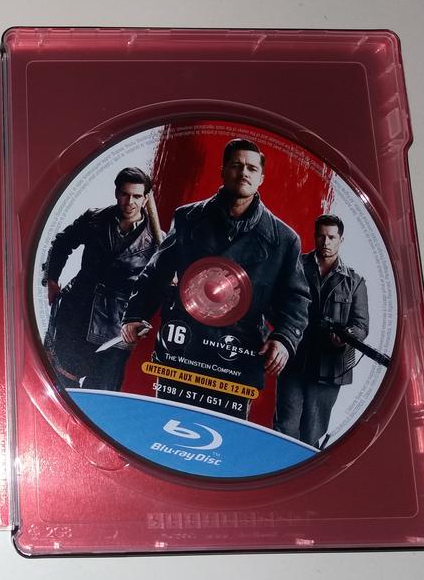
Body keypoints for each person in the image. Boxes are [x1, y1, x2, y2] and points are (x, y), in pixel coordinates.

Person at [121, 138, 310, 418]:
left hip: (238, 356)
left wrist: (283, 339)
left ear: (261, 177)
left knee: (222, 436)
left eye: (251, 168)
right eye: (236, 165)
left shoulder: (284, 239)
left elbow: (297, 300)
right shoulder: (187, 218)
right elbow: (157, 272)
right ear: (223, 171)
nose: (243, 173)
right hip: (183, 349)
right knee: (167, 425)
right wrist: (135, 314)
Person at [41, 166, 159, 391]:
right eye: (124, 194)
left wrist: (140, 319)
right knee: (61, 384)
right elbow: (62, 243)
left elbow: (155, 288)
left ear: (145, 199)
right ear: (116, 193)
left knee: (101, 392)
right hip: (76, 313)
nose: (129, 202)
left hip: (116, 327)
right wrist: (52, 279)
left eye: (136, 196)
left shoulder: (157, 241)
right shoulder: (94, 219)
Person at [274, 214, 369, 447]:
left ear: (341, 240)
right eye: (321, 236)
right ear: (315, 236)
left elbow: (361, 325)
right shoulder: (295, 267)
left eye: (332, 237)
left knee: (312, 433)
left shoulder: (355, 281)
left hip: (329, 368)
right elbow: (277, 304)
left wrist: (346, 338)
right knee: (285, 426)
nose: (326, 242)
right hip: (295, 359)